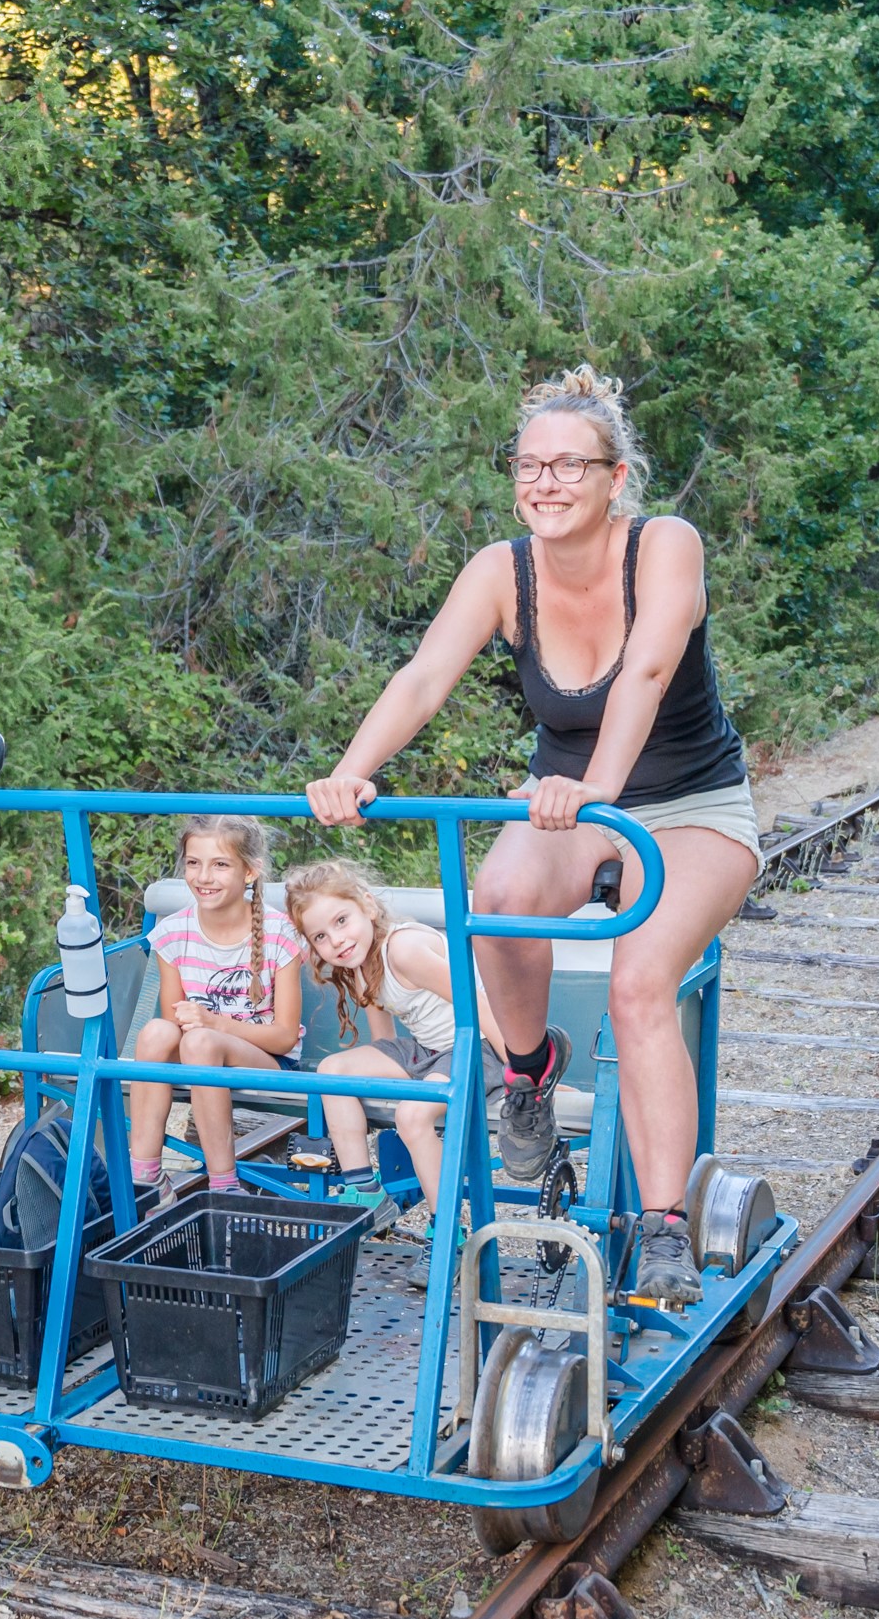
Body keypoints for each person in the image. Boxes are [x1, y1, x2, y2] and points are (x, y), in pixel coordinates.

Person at [304, 366, 759, 1210]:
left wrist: (596, 790)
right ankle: (528, 1069)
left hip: (689, 803)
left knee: (636, 987)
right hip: (570, 798)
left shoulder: (665, 544)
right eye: (528, 465)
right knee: (501, 900)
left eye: (568, 465)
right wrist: (350, 770)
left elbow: (649, 668)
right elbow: (422, 678)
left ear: (614, 477)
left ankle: (663, 1221)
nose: (545, 482)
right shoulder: (499, 571)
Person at [122, 816, 306, 1207]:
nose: (203, 876)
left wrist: (215, 1024)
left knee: (202, 1041)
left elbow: (285, 1036)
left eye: (220, 864)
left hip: (268, 1062)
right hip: (200, 1054)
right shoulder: (173, 934)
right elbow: (175, 1023)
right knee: (155, 1033)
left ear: (250, 871)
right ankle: (146, 1176)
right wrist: (199, 1028)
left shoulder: (280, 933)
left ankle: (224, 1185)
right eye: (193, 862)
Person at [284, 860, 453, 1214]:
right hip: (427, 1053)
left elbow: (481, 1007)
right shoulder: (361, 967)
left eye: (341, 921)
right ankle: (364, 1190)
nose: (337, 940)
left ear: (368, 905)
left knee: (411, 1116)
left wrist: (525, 1070)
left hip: (473, 1049)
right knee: (332, 1071)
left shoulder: (403, 949)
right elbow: (384, 1045)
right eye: (321, 937)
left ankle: (448, 1230)